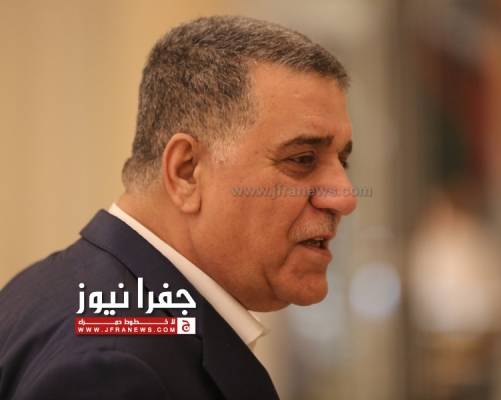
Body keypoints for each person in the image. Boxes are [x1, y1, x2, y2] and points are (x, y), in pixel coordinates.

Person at [0, 16, 356, 400]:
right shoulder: (113, 371)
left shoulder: (52, 288)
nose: (345, 197)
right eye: (302, 159)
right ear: (186, 171)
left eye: (343, 161)